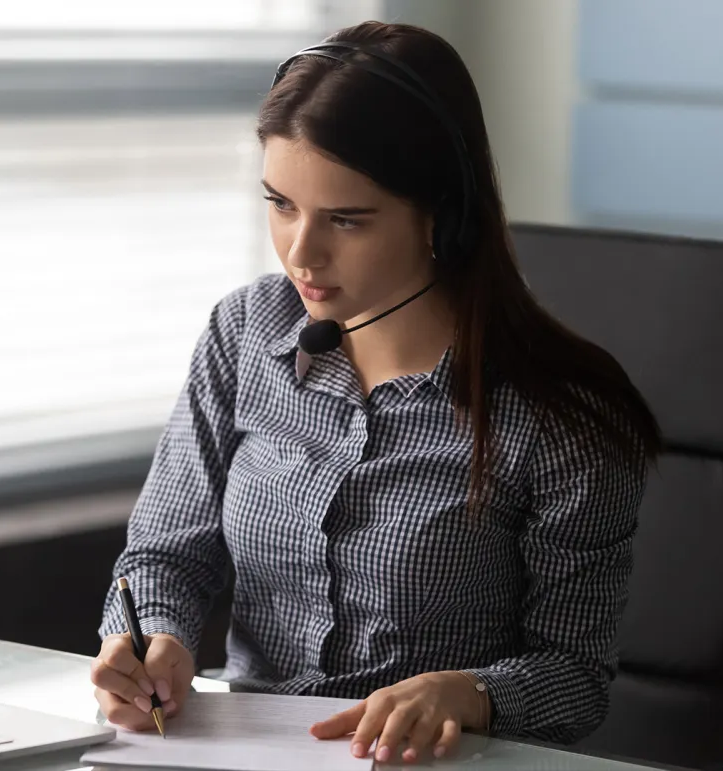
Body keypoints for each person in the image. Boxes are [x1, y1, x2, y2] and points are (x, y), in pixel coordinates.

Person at [90, 19, 661, 765]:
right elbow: (165, 553)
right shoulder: (245, 332)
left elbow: (575, 677)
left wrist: (469, 693)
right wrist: (149, 637)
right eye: (281, 204)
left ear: (443, 218)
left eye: (346, 220)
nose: (301, 252)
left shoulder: (562, 418)